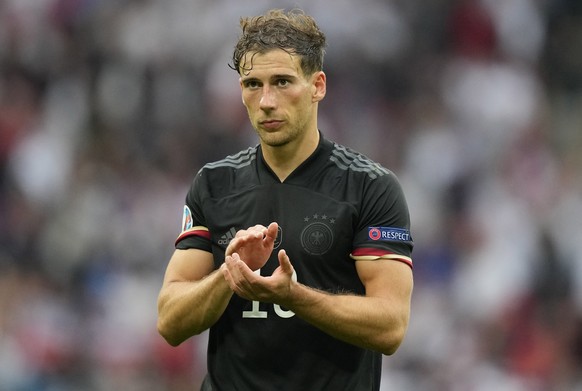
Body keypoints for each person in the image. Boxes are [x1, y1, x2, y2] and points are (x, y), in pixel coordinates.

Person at [157, 8, 414, 391]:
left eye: (281, 81)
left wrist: (292, 295)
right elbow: (170, 322)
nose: (265, 101)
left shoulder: (369, 187)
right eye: (252, 84)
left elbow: (391, 325)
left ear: (318, 86)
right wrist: (230, 274)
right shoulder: (214, 184)